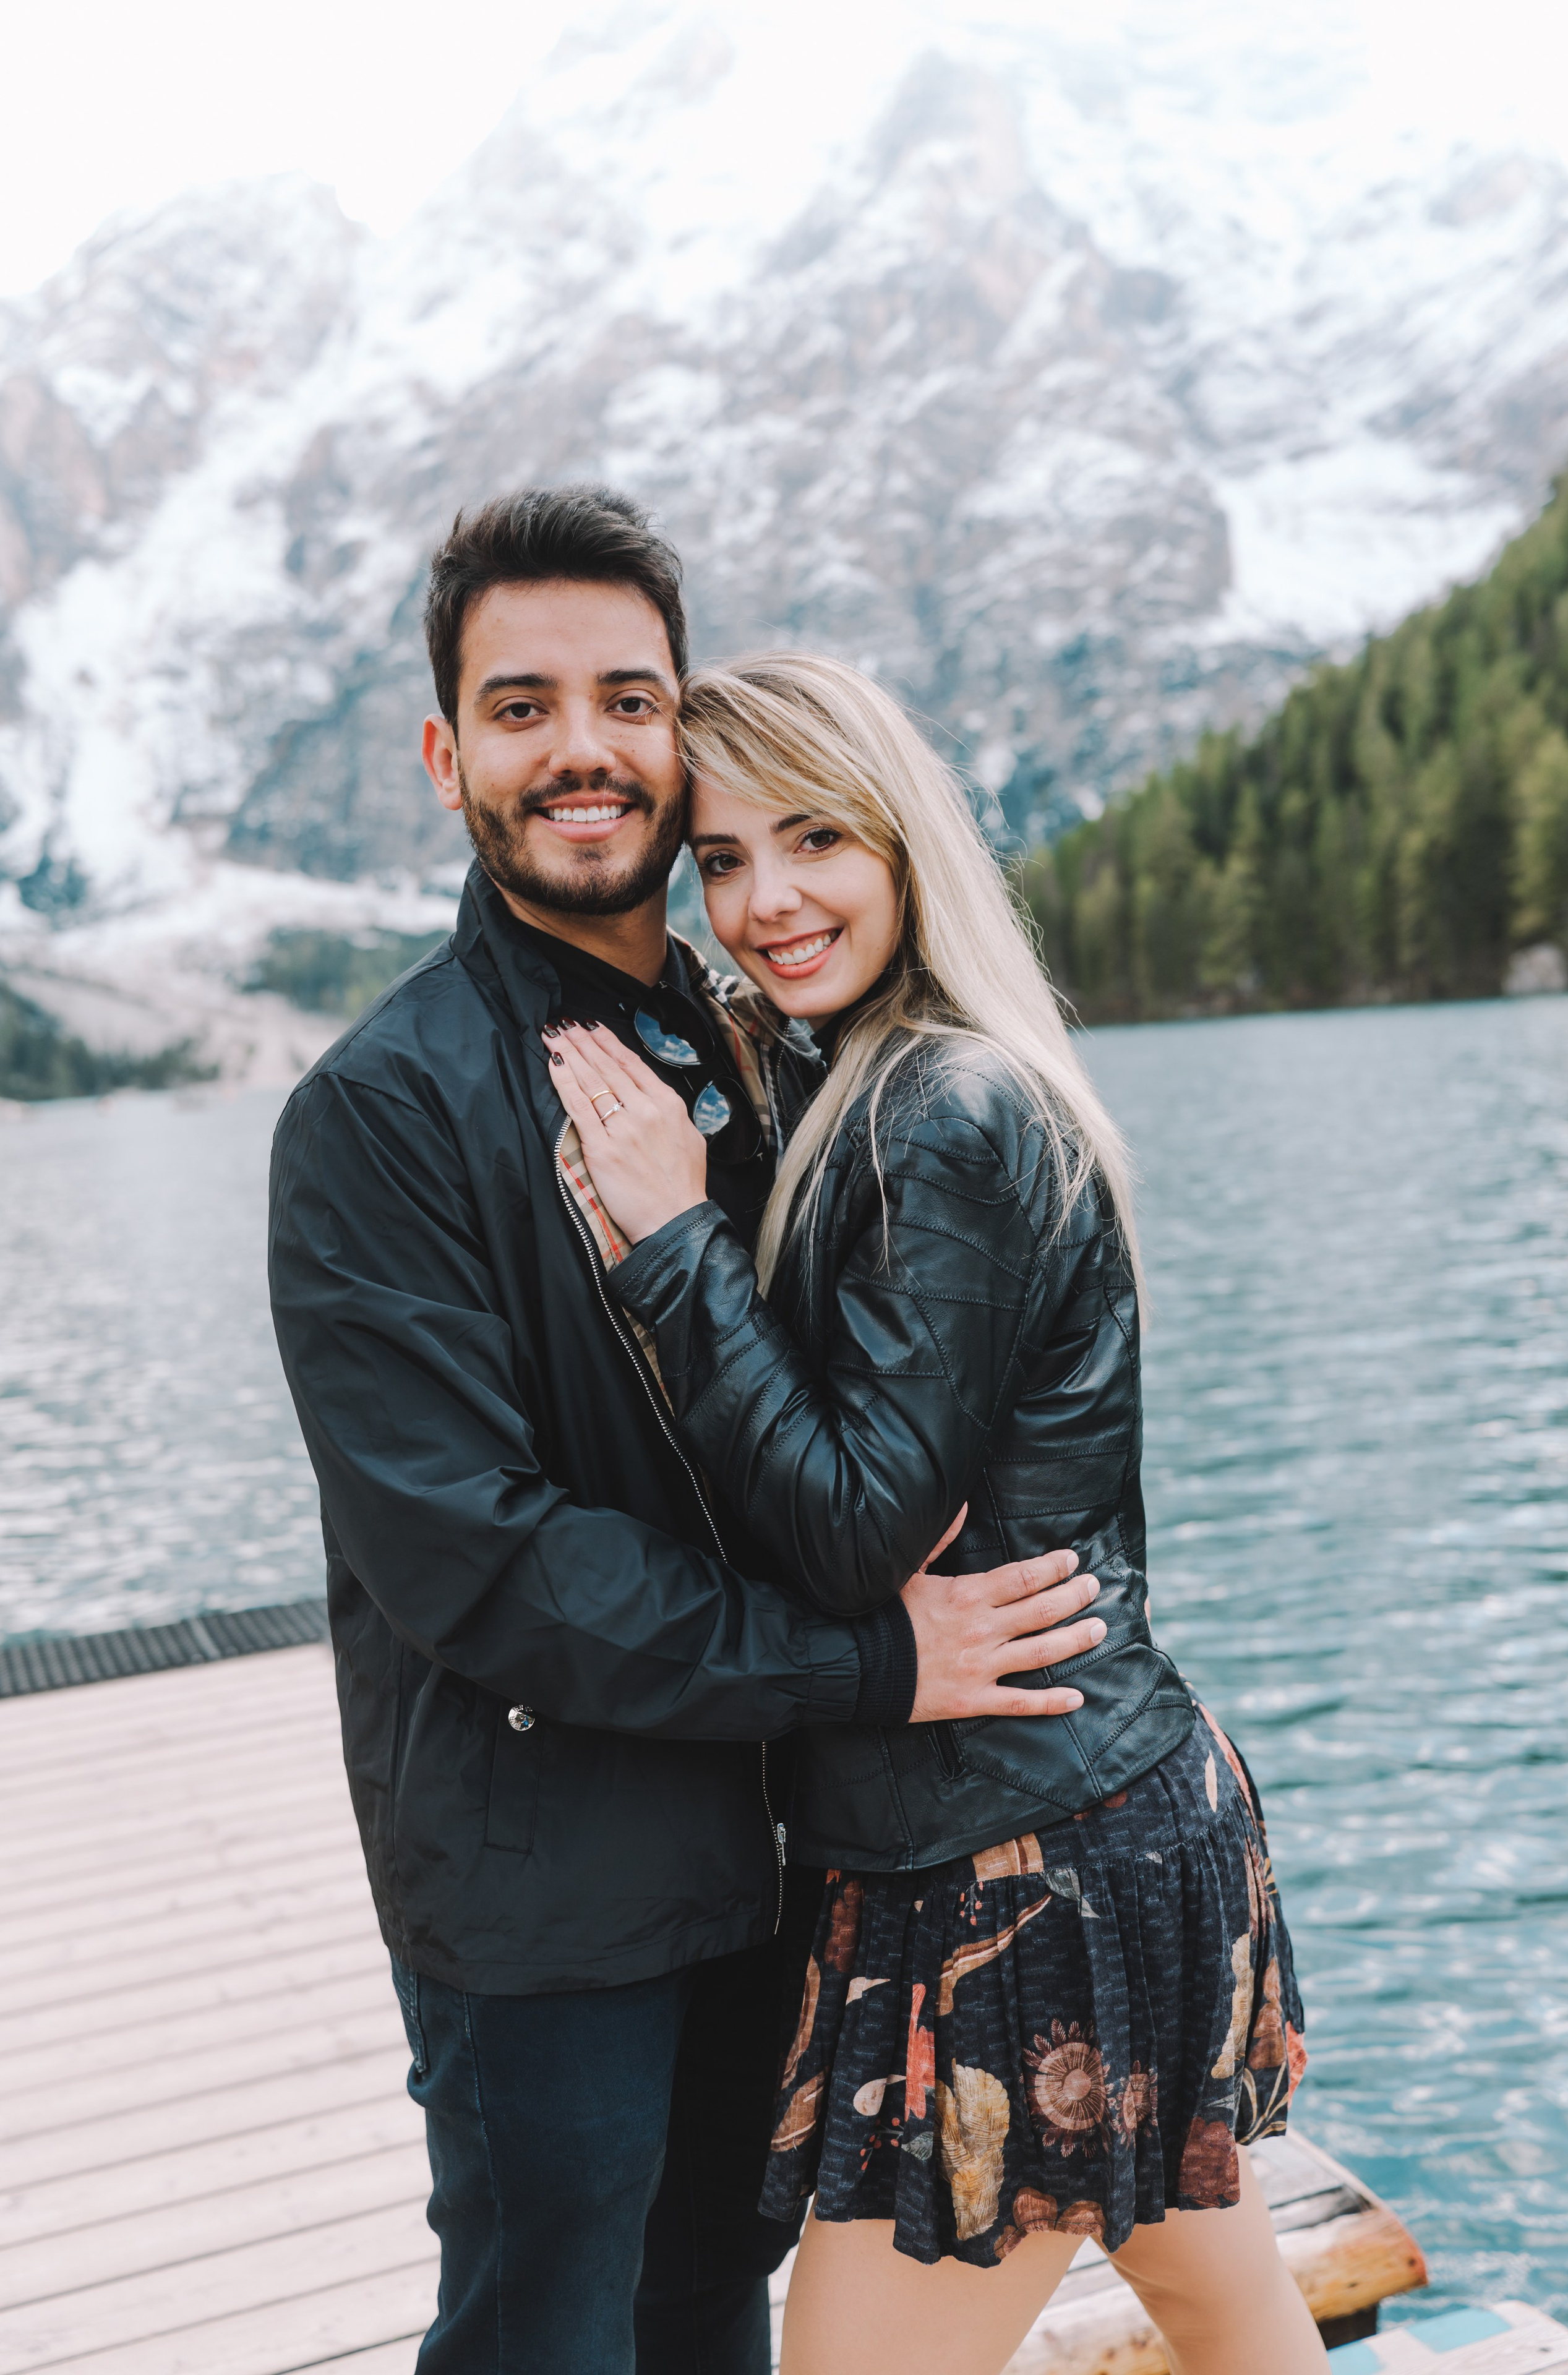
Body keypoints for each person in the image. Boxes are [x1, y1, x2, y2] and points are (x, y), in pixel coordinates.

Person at [267, 489, 1110, 2375]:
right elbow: (477, 1561)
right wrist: (867, 1665)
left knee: (710, 2318)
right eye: (523, 705)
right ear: (444, 754)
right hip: (541, 1892)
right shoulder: (377, 1115)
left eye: (628, 700)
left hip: (776, 1856)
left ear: (679, 731)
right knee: (548, 2334)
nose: (583, 749)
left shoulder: (768, 1052)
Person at [541, 651, 1325, 2375]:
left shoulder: (942, 1115)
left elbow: (850, 1534)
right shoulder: (875, 1082)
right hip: (1093, 1816)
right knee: (1226, 2309)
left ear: (904, 835)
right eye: (722, 861)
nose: (764, 900)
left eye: (811, 837)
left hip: (1021, 1872)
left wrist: (675, 1251)